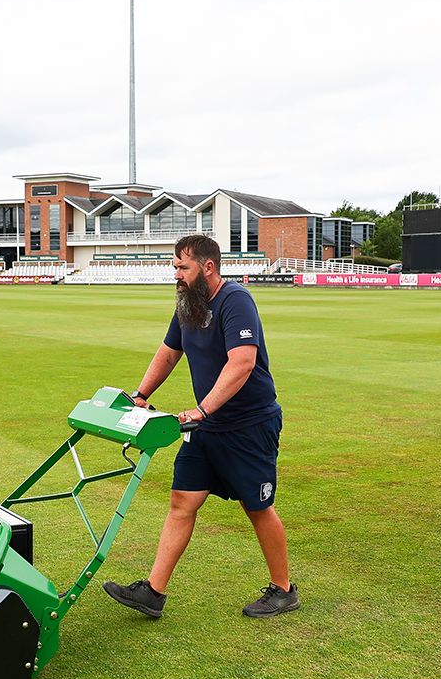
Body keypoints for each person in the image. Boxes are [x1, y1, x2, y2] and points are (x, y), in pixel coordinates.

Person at [103, 234, 299, 619]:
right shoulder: (188, 304)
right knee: (182, 500)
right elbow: (169, 351)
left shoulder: (235, 300)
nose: (175, 274)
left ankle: (284, 590)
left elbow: (242, 362)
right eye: (175, 266)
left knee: (257, 506)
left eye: (183, 267)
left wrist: (202, 410)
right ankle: (153, 592)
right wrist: (141, 394)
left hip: (247, 424)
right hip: (206, 427)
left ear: (208, 267)